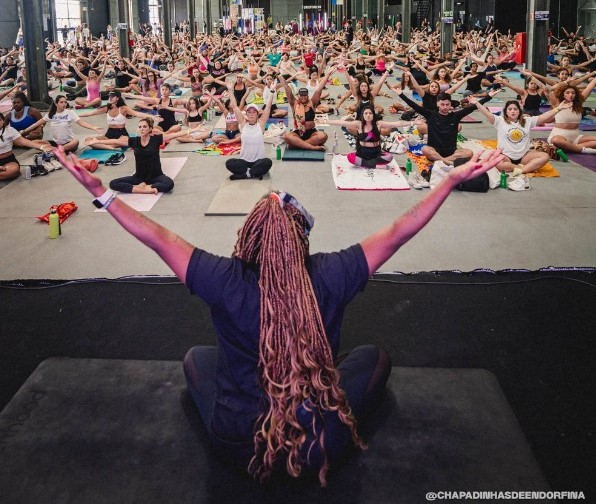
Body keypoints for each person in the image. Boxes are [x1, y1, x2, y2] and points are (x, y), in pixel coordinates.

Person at [54, 142, 505, 486]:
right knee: (375, 358)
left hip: (238, 445)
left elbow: (157, 236)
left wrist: (102, 193)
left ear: (248, 237)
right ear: (300, 239)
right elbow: (399, 230)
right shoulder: (333, 273)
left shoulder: (223, 277)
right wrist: (446, 181)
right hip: (318, 445)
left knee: (195, 357)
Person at [470, 97, 573, 174]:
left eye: (515, 109)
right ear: (506, 111)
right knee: (495, 163)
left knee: (544, 156)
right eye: (510, 109)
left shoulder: (528, 121)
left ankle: (521, 170)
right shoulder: (499, 121)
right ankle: (518, 167)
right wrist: (477, 103)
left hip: (524, 156)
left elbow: (543, 117)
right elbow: (487, 114)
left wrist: (558, 108)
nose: (513, 111)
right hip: (505, 156)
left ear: (519, 111)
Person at [395, 88, 497, 164]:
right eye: (442, 104)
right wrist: (401, 94)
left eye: (447, 104)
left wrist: (489, 97)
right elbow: (414, 106)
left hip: (452, 152)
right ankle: (447, 162)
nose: (445, 107)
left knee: (469, 152)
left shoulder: (456, 116)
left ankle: (443, 161)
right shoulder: (430, 115)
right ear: (438, 104)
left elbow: (472, 107)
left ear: (450, 104)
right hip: (434, 151)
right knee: (424, 149)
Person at [78, 90, 162, 150]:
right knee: (88, 140)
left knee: (122, 141)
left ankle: (108, 146)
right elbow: (90, 113)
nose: (110, 98)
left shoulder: (123, 108)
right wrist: (75, 116)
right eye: (109, 97)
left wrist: (153, 116)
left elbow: (137, 114)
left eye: (112, 97)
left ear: (117, 98)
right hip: (109, 133)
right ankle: (110, 147)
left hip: (121, 134)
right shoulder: (107, 108)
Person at [224, 81, 274, 180]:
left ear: (257, 114)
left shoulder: (261, 124)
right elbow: (234, 106)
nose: (251, 114)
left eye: (254, 112)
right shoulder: (243, 123)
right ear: (246, 114)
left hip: (258, 161)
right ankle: (253, 173)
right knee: (229, 163)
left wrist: (272, 92)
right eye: (249, 112)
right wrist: (230, 90)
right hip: (244, 161)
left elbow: (268, 107)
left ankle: (245, 175)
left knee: (267, 162)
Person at [21, 95, 103, 153]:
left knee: (76, 141)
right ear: (56, 104)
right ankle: (56, 149)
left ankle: (55, 150)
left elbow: (81, 122)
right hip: (55, 143)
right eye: (61, 102)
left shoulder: (70, 112)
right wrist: (24, 131)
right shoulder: (51, 114)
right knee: (34, 142)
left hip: (68, 143)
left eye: (65, 102)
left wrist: (93, 127)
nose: (64, 104)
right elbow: (36, 124)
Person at [546, 82, 596, 154]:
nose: (571, 95)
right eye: (567, 93)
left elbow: (590, 87)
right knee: (556, 140)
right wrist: (531, 76)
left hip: (575, 136)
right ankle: (586, 150)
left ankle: (570, 148)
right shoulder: (557, 104)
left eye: (573, 93)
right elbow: (547, 89)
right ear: (562, 94)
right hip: (559, 136)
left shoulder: (578, 104)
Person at [0, 113, 52, 181]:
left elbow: (23, 141)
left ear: (3, 121)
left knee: (13, 171)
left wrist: (42, 147)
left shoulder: (10, 130)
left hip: (8, 160)